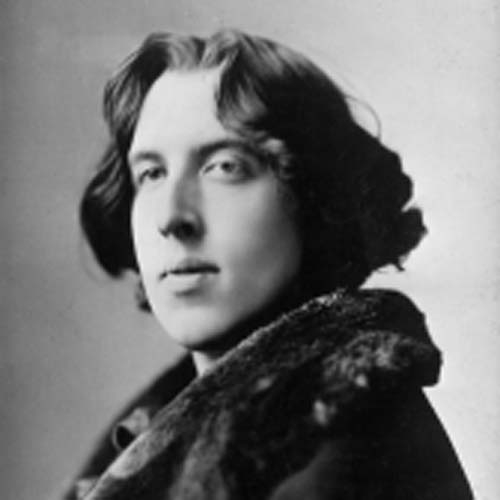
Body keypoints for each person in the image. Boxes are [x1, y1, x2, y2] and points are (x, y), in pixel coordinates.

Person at [65, 29, 473, 499]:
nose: (171, 217)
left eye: (225, 166)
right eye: (151, 173)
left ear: (314, 198)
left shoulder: (344, 448)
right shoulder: (164, 431)